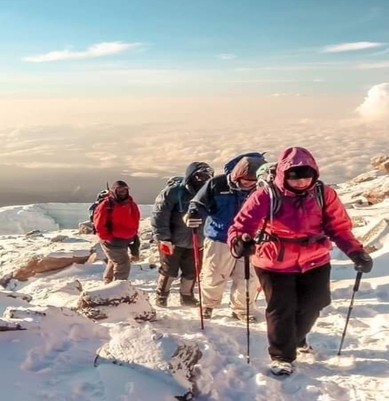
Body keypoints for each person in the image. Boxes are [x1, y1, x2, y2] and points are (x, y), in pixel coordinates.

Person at [227, 146, 373, 376]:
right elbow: (241, 225)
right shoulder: (266, 195)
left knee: (315, 303)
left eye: (307, 178)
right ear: (285, 176)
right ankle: (281, 356)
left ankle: (297, 338)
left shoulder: (324, 194)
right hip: (273, 261)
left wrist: (356, 252)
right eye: (296, 179)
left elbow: (339, 227)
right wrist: (239, 242)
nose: (302, 183)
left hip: (315, 258)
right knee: (281, 308)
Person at [187, 154, 266, 321]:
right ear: (237, 175)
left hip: (248, 239)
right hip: (219, 236)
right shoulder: (217, 183)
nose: (248, 185)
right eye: (245, 181)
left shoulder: (261, 188)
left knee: (248, 277)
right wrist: (193, 213)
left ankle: (242, 309)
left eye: (252, 182)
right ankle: (208, 305)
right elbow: (199, 203)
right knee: (214, 274)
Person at [151, 162, 213, 307]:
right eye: (200, 175)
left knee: (192, 270)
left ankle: (186, 296)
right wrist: (163, 238)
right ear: (191, 175)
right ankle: (162, 294)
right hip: (172, 240)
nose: (203, 179)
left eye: (207, 176)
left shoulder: (208, 194)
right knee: (168, 270)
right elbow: (159, 216)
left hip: (197, 240)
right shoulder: (173, 192)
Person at [93, 180, 141, 284]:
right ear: (114, 191)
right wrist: (108, 238)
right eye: (119, 190)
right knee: (123, 263)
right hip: (112, 241)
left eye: (125, 189)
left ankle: (108, 281)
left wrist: (132, 234)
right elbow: (99, 224)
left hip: (125, 239)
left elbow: (135, 219)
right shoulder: (106, 205)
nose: (122, 192)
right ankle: (118, 288)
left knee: (114, 260)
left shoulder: (131, 204)